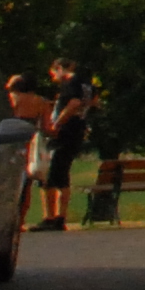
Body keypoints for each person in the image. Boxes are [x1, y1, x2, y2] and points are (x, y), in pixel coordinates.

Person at [28, 57, 99, 232]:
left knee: (49, 175)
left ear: (59, 68)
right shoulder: (87, 83)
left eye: (53, 73)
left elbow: (74, 103)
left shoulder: (71, 82)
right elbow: (95, 101)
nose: (53, 77)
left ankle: (49, 217)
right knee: (62, 175)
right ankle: (60, 217)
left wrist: (57, 123)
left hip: (65, 132)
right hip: (77, 130)